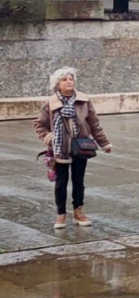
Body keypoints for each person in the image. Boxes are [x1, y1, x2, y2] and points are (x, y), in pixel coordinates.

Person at [34, 67, 113, 230]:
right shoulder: (50, 103)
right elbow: (39, 125)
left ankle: (78, 211)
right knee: (61, 182)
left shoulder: (84, 101)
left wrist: (104, 143)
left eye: (71, 79)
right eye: (64, 79)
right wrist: (50, 138)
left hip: (80, 146)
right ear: (58, 84)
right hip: (60, 148)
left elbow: (94, 124)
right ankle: (61, 214)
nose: (69, 82)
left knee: (79, 181)